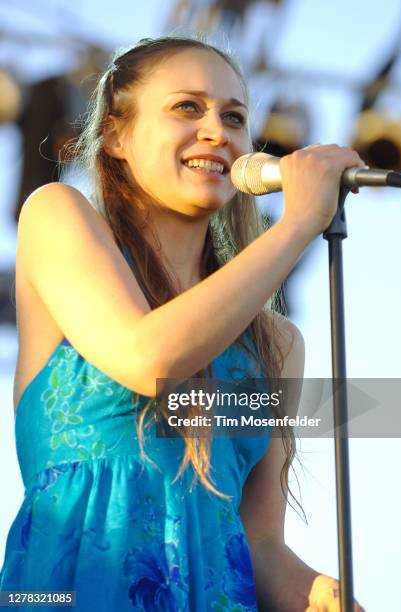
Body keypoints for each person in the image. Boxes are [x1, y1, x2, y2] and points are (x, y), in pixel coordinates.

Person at [0, 36, 365, 611]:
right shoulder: (55, 215)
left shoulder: (275, 344)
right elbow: (151, 358)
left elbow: (261, 545)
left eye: (235, 116)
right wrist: (295, 226)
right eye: (187, 107)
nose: (218, 131)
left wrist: (316, 593)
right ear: (116, 135)